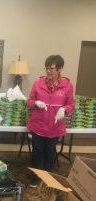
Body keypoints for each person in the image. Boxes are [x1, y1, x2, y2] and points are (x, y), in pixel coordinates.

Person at [26, 55, 75, 188]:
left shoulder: (67, 86)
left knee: (50, 152)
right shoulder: (38, 83)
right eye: (46, 68)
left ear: (60, 69)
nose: (48, 71)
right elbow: (29, 102)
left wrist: (64, 110)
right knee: (37, 152)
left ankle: (47, 179)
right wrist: (35, 102)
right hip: (38, 125)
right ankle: (35, 178)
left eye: (51, 68)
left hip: (55, 126)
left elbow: (71, 104)